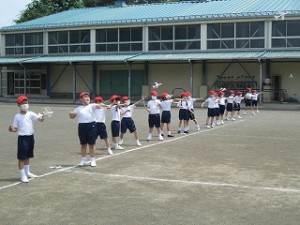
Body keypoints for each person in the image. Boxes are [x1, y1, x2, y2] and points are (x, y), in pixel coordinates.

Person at [8, 96, 44, 183]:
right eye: (23, 103)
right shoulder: (17, 116)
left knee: (28, 156)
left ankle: (27, 172)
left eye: (26, 103)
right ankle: (22, 175)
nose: (25, 105)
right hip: (22, 138)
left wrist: (42, 115)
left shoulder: (31, 113)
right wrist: (11, 129)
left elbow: (41, 120)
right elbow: (15, 129)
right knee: (21, 157)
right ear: (19, 105)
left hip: (30, 137)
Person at [69, 92, 105, 167]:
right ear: (81, 99)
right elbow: (72, 117)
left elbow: (98, 106)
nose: (87, 98)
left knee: (91, 144)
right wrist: (70, 113)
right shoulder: (78, 109)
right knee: (83, 144)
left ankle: (92, 160)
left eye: (88, 96)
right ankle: (83, 160)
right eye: (85, 97)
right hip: (82, 126)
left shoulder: (92, 106)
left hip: (91, 125)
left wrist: (101, 104)